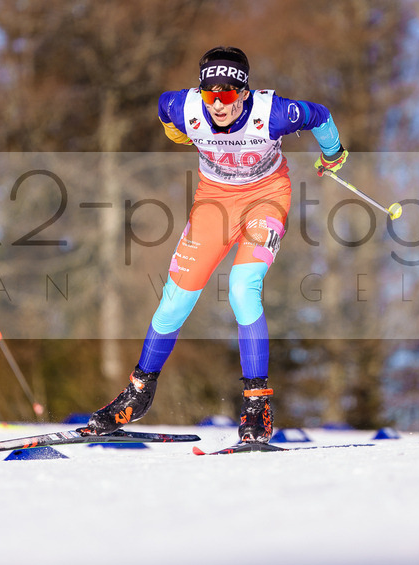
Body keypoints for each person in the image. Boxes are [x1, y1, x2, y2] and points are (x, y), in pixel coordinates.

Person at [88, 46, 348, 443]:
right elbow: (163, 105)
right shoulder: (186, 107)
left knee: (243, 290)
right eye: (211, 93)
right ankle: (138, 394)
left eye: (228, 94)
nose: (218, 104)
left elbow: (320, 115)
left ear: (244, 93)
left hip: (267, 197)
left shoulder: (273, 113)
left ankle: (256, 405)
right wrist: (169, 128)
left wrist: (333, 153)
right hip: (213, 202)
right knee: (175, 300)